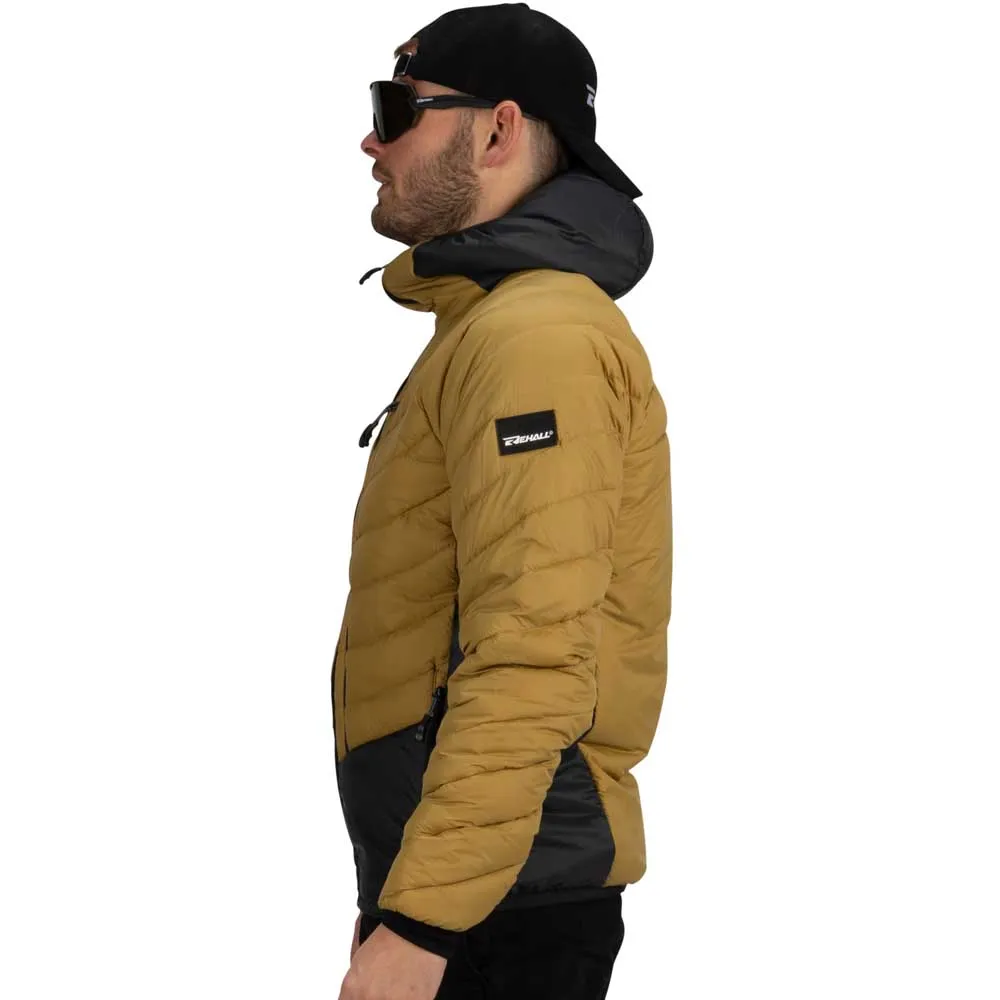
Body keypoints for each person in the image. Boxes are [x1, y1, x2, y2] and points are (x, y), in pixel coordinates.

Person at [332, 5, 672, 998]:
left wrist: (424, 922)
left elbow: (533, 647)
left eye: (396, 108)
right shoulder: (493, 328)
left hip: (498, 909)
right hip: (478, 889)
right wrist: (408, 894)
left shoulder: (537, 339)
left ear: (497, 130)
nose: (370, 140)